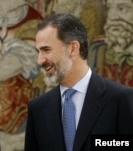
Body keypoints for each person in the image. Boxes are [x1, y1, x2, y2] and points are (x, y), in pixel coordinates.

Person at [24, 13, 133, 151]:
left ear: (73, 48)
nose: (40, 60)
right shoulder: (38, 108)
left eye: (46, 50)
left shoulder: (119, 100)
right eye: (38, 52)